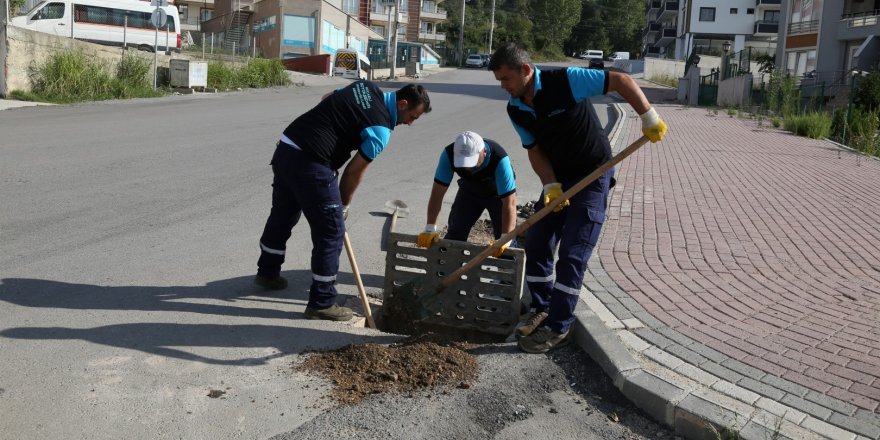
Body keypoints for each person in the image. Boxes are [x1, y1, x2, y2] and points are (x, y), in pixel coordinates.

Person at [488, 42, 667, 353]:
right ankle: (541, 308)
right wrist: (549, 186)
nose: (504, 87)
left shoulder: (566, 81)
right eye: (500, 81)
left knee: (573, 251)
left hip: (594, 173)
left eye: (506, 79)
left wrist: (647, 116)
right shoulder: (516, 108)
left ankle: (559, 326)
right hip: (559, 178)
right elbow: (534, 150)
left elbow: (621, 80)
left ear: (526, 70)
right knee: (540, 241)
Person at [255, 80, 431, 321]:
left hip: (287, 147)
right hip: (313, 163)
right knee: (331, 232)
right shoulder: (380, 130)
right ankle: (322, 303)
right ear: (402, 104)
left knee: (284, 213)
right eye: (412, 116)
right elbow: (353, 172)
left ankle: (267, 271)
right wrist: (343, 206)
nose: (410, 123)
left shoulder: (365, 87)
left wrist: (332, 126)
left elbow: (328, 98)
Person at [417, 131, 517, 257]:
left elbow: (510, 203)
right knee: (455, 234)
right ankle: (447, 271)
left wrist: (506, 238)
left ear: (484, 152)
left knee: (505, 242)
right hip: (469, 193)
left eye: (471, 162)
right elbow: (437, 193)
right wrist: (430, 227)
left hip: (498, 197)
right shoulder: (448, 155)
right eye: (463, 162)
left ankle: (507, 274)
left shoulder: (500, 159)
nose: (467, 168)